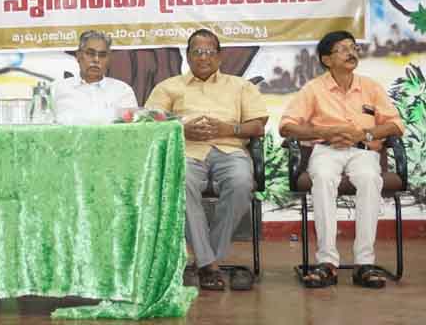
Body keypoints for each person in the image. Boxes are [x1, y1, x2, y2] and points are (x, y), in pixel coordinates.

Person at [279, 30, 404, 289]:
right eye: (343, 49)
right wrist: (323, 132)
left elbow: (395, 125)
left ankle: (364, 264)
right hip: (327, 149)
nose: (351, 53)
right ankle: (327, 263)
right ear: (326, 59)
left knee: (369, 178)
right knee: (324, 178)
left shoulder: (370, 87)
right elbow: (287, 126)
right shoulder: (313, 89)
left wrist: (365, 133)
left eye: (353, 47)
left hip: (363, 150)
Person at [145, 29, 267, 292]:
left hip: (230, 149)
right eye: (197, 52)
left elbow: (258, 126)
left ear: (220, 57)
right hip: (187, 151)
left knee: (241, 182)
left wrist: (228, 129)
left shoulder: (241, 86)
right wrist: (181, 129)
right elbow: (151, 124)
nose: (203, 57)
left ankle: (205, 260)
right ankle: (210, 264)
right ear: (188, 56)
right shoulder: (168, 87)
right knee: (180, 183)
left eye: (209, 52)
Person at [52, 30, 137, 125]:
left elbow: (131, 129)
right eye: (90, 53)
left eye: (102, 55)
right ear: (78, 55)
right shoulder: (57, 89)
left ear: (109, 59)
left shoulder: (123, 91)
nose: (96, 60)